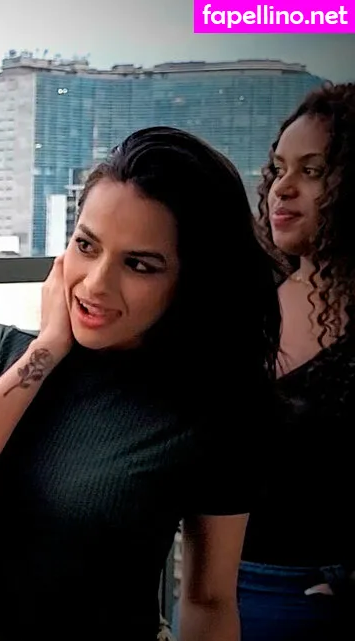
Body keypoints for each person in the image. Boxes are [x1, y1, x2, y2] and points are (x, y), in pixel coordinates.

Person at [0, 127, 283, 640]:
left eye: (139, 264)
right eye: (87, 245)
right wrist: (47, 348)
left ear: (189, 282)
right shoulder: (0, 353)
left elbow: (208, 599)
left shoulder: (209, 408)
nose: (97, 283)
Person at [239, 82, 355, 641]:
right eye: (279, 169)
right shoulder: (252, 300)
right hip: (217, 586)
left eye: (312, 172)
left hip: (316, 598)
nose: (282, 188)